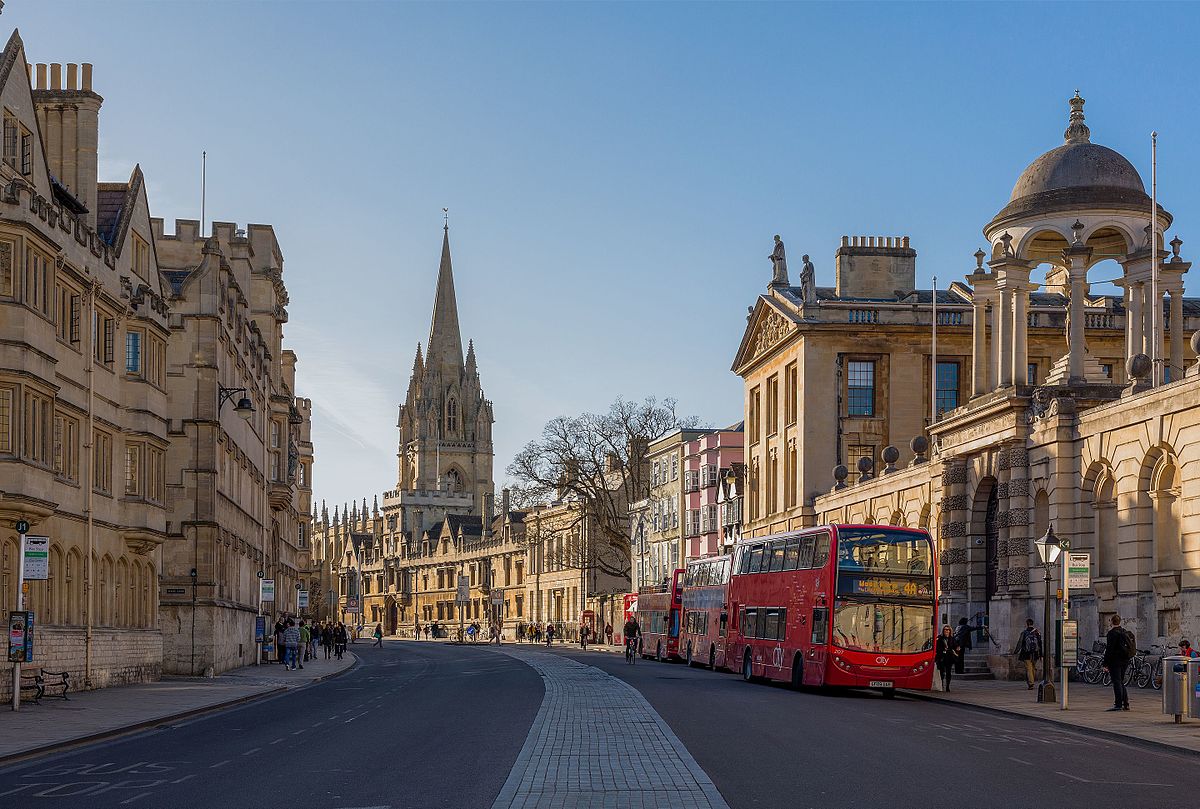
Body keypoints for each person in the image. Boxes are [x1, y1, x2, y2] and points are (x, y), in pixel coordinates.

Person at [1103, 614, 1133, 711]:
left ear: (1111, 622)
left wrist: (1105, 663)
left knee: (1117, 682)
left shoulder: (1112, 633)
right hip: (1125, 660)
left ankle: (1118, 704)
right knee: (1121, 681)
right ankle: (1126, 703)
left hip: (1115, 661)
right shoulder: (1124, 632)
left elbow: (1109, 649)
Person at [1014, 618, 1041, 689]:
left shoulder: (1024, 633)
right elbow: (1040, 643)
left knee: (1029, 668)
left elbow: (1020, 643)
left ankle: (1031, 683)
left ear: (1027, 624)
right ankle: (1032, 679)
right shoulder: (1037, 632)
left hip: (1026, 654)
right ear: (1032, 623)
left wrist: (1016, 652)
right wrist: (1041, 654)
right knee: (1033, 668)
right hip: (1035, 653)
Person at [934, 624, 960, 692]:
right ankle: (941, 684)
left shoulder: (952, 638)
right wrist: (943, 650)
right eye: (945, 630)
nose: (947, 631)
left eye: (948, 630)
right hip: (941, 657)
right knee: (942, 672)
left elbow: (955, 646)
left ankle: (947, 686)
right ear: (943, 630)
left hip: (949, 657)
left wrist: (957, 648)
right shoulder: (939, 638)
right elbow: (937, 647)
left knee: (948, 672)